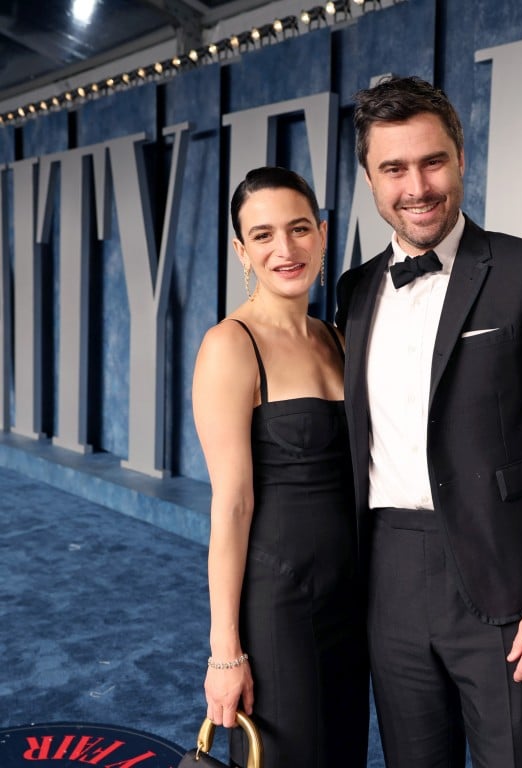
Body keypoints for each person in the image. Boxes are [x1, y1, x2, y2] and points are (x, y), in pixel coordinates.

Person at [335, 75, 522, 768]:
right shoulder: (356, 290)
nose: (416, 187)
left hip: (505, 584)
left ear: (461, 158)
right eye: (393, 168)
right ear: (369, 178)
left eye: (432, 162)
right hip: (387, 576)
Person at [192, 166, 369, 768]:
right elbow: (231, 506)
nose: (285, 249)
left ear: (321, 234)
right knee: (290, 756)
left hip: (352, 592)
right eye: (262, 235)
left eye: (298, 229)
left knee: (342, 749)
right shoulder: (229, 345)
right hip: (279, 599)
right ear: (242, 250)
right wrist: (224, 652)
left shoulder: (341, 338)